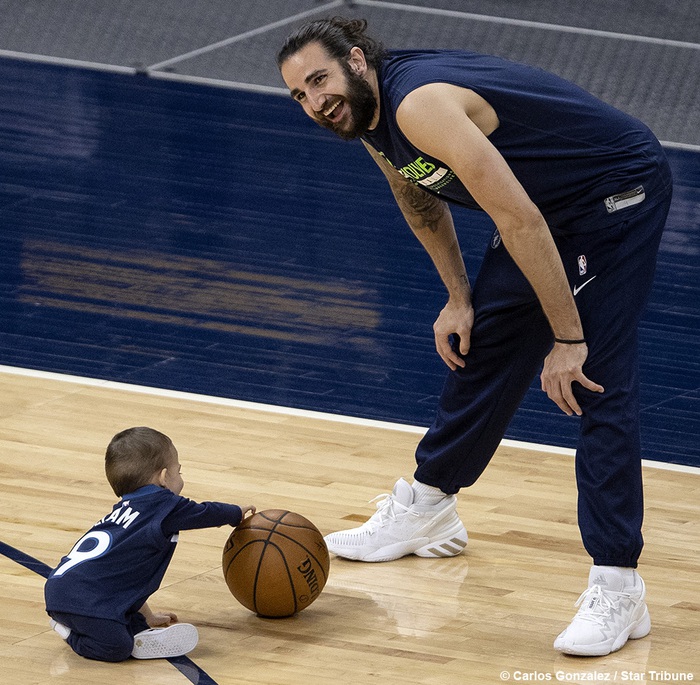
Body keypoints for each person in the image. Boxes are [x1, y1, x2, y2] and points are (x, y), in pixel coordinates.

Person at [276, 17, 673, 657]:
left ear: (355, 60)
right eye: (299, 95)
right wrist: (460, 298)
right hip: (545, 209)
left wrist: (567, 339)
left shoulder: (418, 106)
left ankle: (619, 585)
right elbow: (418, 199)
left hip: (615, 193)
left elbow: (516, 218)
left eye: (319, 80)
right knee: (481, 342)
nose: (315, 103)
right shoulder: (369, 118)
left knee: (595, 379)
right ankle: (429, 507)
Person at [44, 427, 255, 662]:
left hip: (73, 589)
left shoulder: (129, 512)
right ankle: (70, 633)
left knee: (129, 623)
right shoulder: (161, 504)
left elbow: (128, 577)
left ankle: (139, 628)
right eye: (179, 471)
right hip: (83, 599)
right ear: (164, 478)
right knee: (117, 647)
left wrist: (148, 617)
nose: (181, 478)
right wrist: (234, 513)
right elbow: (201, 513)